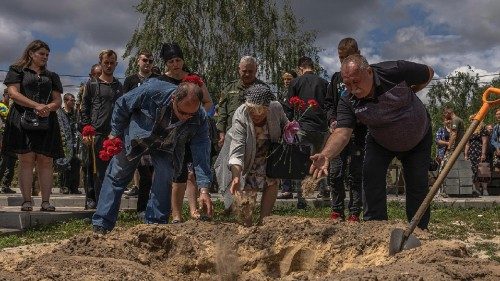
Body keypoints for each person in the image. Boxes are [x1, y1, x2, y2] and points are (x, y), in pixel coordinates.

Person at [309, 54, 434, 230]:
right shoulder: (347, 100)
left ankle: (419, 230)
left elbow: (428, 72)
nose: (353, 88)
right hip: (381, 141)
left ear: (369, 72)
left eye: (356, 81)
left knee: (417, 184)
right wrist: (325, 154)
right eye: (347, 84)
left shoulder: (394, 71)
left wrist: (412, 92)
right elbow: (342, 133)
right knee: (370, 179)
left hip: (418, 138)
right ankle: (375, 229)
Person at [91, 78, 213, 234]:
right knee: (117, 175)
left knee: (166, 174)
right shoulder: (152, 91)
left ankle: (155, 226)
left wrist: (204, 189)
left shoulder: (199, 117)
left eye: (191, 115)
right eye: (182, 112)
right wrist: (115, 132)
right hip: (137, 136)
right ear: (173, 99)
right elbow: (122, 103)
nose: (185, 118)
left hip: (167, 145)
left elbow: (201, 152)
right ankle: (102, 224)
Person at [3, 39, 64, 212]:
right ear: (31, 53)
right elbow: (13, 93)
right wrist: (35, 105)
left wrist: (47, 108)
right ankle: (27, 201)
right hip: (22, 118)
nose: (45, 57)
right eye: (42, 54)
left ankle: (45, 202)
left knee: (46, 161)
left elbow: (58, 100)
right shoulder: (17, 70)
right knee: (27, 159)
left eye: (47, 55)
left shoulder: (52, 76)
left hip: (46, 120)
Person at [215, 84, 289, 226]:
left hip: (268, 153)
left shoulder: (276, 107)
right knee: (248, 185)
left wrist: (290, 129)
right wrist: (236, 176)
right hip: (246, 153)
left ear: (267, 108)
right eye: (251, 111)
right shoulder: (241, 113)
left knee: (272, 182)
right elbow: (237, 149)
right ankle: (246, 226)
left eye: (259, 112)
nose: (255, 115)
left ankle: (264, 222)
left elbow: (285, 124)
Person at [158, 42, 213, 223]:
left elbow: (207, 102)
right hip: (172, 132)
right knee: (178, 172)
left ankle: (194, 209)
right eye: (171, 61)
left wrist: (197, 115)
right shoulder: (161, 80)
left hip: (194, 129)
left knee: (193, 172)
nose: (175, 64)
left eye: (178, 60)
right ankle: (176, 214)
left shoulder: (193, 79)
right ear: (166, 63)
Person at [324, 38, 366, 222]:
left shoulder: (364, 75)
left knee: (355, 174)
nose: (343, 62)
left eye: (347, 57)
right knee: (335, 172)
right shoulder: (335, 78)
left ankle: (355, 212)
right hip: (338, 133)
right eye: (340, 58)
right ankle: (336, 210)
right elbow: (328, 104)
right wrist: (332, 119)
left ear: (357, 54)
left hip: (358, 134)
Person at [81, 50, 123, 209]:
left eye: (112, 62)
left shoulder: (119, 86)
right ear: (101, 63)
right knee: (96, 172)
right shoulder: (91, 84)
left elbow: (123, 109)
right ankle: (99, 205)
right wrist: (86, 130)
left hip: (114, 134)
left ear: (116, 64)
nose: (109, 65)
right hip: (96, 133)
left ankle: (111, 205)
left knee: (113, 172)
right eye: (106, 62)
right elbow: (84, 108)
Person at [285, 56, 329, 208]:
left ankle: (301, 199)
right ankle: (324, 190)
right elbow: (329, 105)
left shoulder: (295, 82)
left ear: (300, 68)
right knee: (321, 160)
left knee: (300, 162)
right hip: (321, 128)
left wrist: (287, 127)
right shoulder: (324, 82)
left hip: (302, 127)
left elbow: (289, 107)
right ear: (312, 67)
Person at [121, 50, 158, 217]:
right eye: (145, 60)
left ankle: (151, 207)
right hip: (136, 129)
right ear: (138, 61)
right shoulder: (131, 80)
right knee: (143, 171)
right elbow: (125, 103)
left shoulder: (156, 80)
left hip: (154, 130)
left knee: (153, 171)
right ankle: (141, 208)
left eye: (150, 60)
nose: (147, 63)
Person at [216, 56, 267, 148]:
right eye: (244, 71)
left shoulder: (264, 89)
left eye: (250, 71)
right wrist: (221, 133)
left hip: (255, 138)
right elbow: (222, 113)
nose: (247, 74)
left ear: (256, 70)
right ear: (239, 70)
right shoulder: (229, 88)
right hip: (232, 135)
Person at [56, 93, 82, 194]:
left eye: (74, 100)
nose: (73, 102)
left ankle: (74, 187)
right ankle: (64, 186)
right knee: (64, 164)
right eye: (72, 100)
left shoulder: (76, 113)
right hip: (64, 143)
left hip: (75, 142)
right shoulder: (60, 113)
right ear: (66, 101)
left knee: (76, 163)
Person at [464, 115, 489, 195]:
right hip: (472, 153)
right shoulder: (470, 130)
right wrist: (466, 154)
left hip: (480, 152)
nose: (471, 121)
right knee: (473, 171)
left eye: (472, 119)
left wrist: (483, 154)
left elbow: (485, 142)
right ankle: (477, 190)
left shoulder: (483, 129)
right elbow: (467, 143)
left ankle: (485, 189)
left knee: (483, 170)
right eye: (470, 120)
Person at [0, 89, 17, 194]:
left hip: (12, 138)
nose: (10, 98)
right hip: (2, 137)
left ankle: (6, 185)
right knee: (3, 162)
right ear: (4, 95)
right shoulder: (1, 106)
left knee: (11, 162)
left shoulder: (12, 108)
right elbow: (7, 115)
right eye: (8, 96)